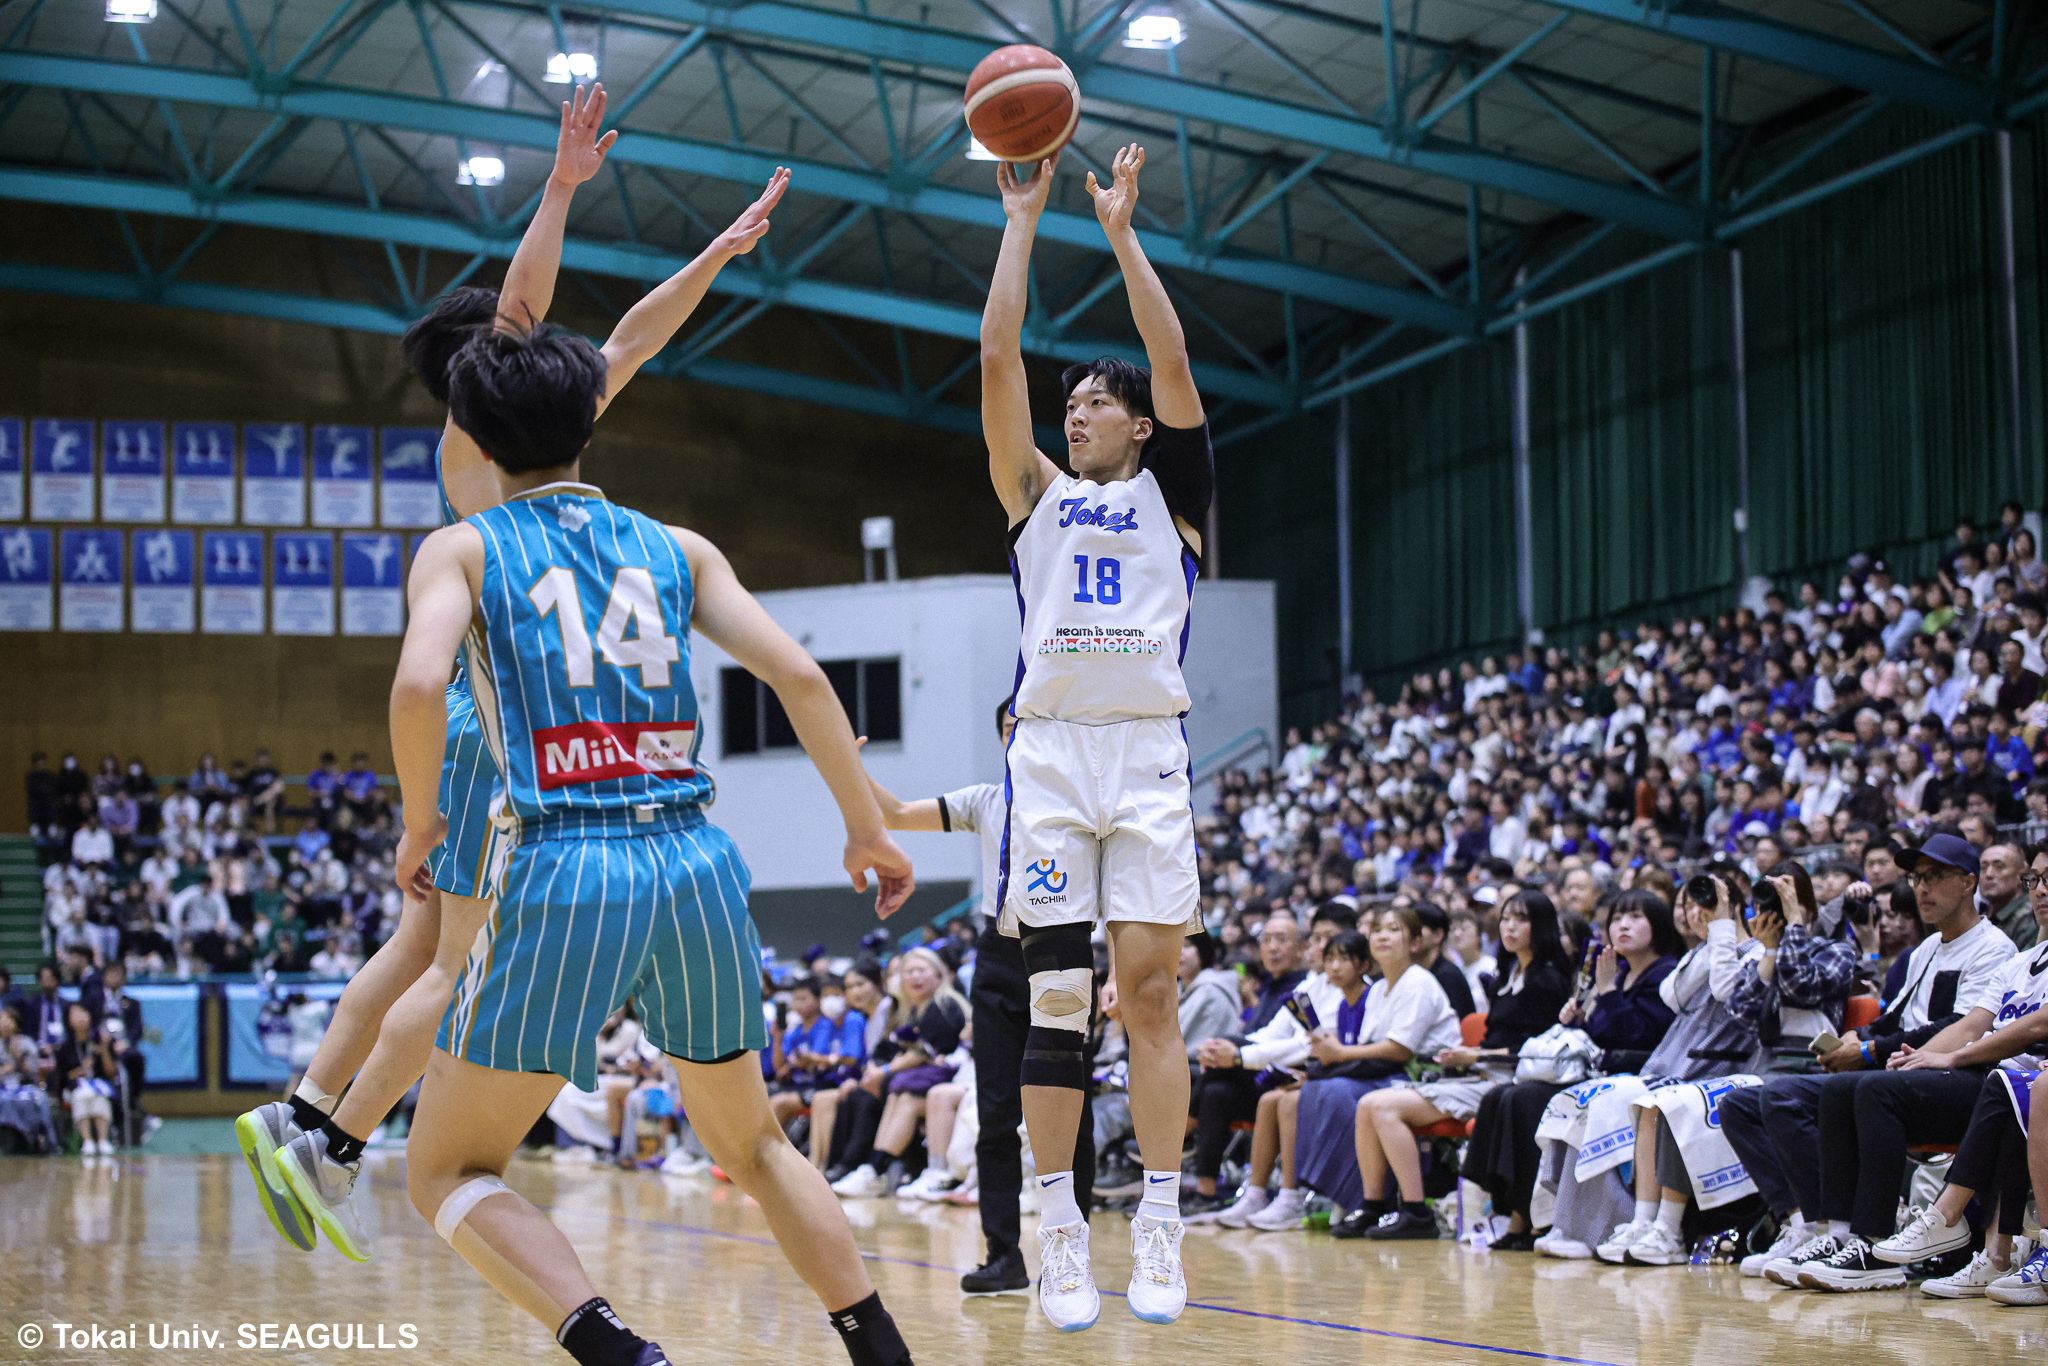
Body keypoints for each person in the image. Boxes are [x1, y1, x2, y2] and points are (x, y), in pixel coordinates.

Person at [277, 319, 916, 1366]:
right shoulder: (678, 546)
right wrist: (865, 828)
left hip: (564, 864)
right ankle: (879, 1350)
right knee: (754, 1142)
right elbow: (801, 678)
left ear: (473, 443)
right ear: (590, 422)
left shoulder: (463, 545)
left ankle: (625, 1354)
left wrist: (422, 817)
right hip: (695, 861)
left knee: (445, 1168)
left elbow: (416, 684)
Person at [234, 87, 792, 1258]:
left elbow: (634, 334)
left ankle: (300, 1115)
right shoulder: (472, 438)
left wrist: (718, 252)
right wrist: (559, 187)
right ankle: (329, 1145)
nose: (538, 331)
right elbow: (536, 311)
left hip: (520, 731)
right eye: (516, 327)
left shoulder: (523, 432)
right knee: (453, 959)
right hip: (513, 739)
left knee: (418, 947)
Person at [981, 142, 1216, 1330]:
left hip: (1149, 754)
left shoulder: (1167, 493)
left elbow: (1170, 355)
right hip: (1053, 759)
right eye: (1067, 405)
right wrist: (1021, 221)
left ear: (1137, 425)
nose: (1074, 414)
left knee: (1152, 993)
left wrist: (1119, 231)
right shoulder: (1033, 493)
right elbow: (995, 357)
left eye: (1094, 404)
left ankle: (1162, 1215)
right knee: (1059, 998)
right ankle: (1058, 1224)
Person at [862, 697, 1095, 1296]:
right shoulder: (985, 801)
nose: (1020, 734)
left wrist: (1113, 971)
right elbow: (895, 812)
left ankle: (1071, 1255)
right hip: (997, 954)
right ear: (1001, 738)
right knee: (995, 1112)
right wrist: (849, 766)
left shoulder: (1085, 802)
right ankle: (1003, 1255)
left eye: (1032, 725)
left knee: (1071, 1110)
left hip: (1064, 948)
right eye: (1010, 726)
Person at [1865, 842, 2048, 1297]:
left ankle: (1949, 1219)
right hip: (2007, 1076)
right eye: (2036, 880)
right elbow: (1976, 1022)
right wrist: (1936, 1054)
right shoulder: (2019, 963)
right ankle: (1995, 1253)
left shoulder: (1995, 948)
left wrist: (1952, 1057)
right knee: (2006, 1083)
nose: (2041, 890)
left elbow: (2040, 1021)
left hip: (2024, 1069)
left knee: (2009, 1081)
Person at [1347, 891, 1574, 1246]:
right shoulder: (1509, 975)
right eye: (1505, 919)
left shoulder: (1547, 980)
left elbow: (1536, 1050)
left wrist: (1476, 1056)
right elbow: (1499, 1040)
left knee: (1381, 1106)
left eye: (1521, 919)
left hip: (1516, 1081)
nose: (1510, 926)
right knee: (1368, 1105)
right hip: (1484, 1074)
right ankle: (1373, 1204)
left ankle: (1416, 1210)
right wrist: (1469, 1053)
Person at [52, 1003, 118, 1155]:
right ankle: (87, 1141)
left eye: (83, 1013)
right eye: (75, 1015)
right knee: (82, 1095)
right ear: (69, 1020)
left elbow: (111, 1073)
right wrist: (81, 1070)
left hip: (99, 1087)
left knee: (100, 1097)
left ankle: (102, 1140)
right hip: (74, 1089)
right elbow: (61, 1077)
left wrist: (104, 1050)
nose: (80, 1018)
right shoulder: (65, 1047)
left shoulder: (100, 1042)